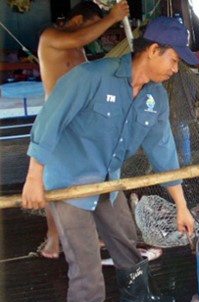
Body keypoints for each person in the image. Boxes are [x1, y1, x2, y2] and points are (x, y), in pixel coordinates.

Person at [22, 17, 198, 302]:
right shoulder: (91, 76)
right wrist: (33, 178)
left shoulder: (155, 97)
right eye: (175, 60)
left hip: (109, 178)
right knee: (87, 268)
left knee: (126, 238)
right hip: (70, 181)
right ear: (153, 50)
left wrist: (182, 206)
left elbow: (163, 150)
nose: (175, 69)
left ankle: (137, 299)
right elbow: (49, 121)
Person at [37, 0, 130, 259]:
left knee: (90, 175)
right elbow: (82, 35)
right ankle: (53, 235)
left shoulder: (77, 46)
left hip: (81, 121)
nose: (95, 32)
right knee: (54, 180)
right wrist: (112, 17)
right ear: (78, 20)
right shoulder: (52, 37)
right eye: (93, 24)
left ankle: (89, 232)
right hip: (57, 118)